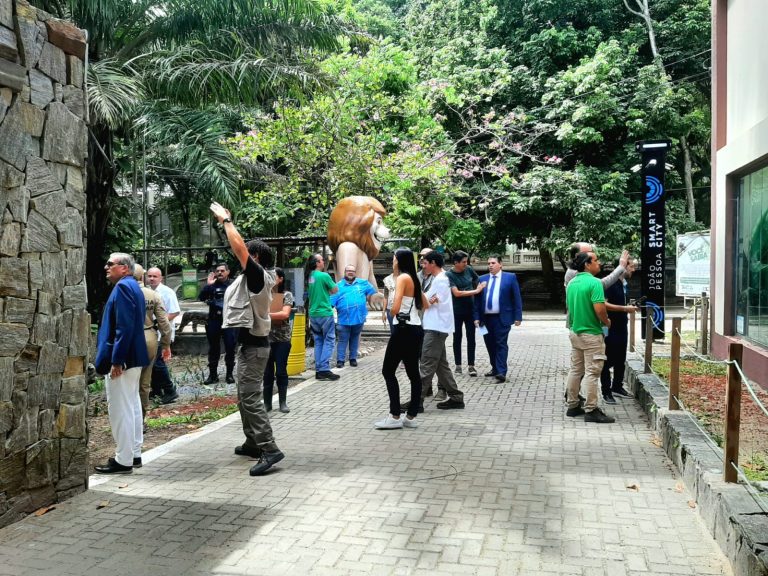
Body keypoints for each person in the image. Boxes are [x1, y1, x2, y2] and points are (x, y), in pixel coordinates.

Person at [210, 201, 285, 476]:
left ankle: (269, 448)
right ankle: (252, 441)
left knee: (251, 399)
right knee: (244, 397)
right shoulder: (251, 278)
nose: (239, 258)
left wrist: (226, 221)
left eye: (246, 255)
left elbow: (239, 248)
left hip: (254, 349)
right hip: (250, 347)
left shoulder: (257, 276)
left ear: (254, 257)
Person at [94, 253, 150, 474]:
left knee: (120, 408)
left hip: (124, 359)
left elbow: (123, 328)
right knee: (132, 405)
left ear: (125, 268)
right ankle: (133, 454)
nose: (106, 267)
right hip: (133, 356)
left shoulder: (124, 288)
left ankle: (123, 459)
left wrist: (117, 360)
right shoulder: (132, 286)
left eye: (111, 264)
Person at [402, 250, 466, 411]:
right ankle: (456, 397)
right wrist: (426, 298)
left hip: (436, 327)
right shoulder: (441, 278)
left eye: (425, 263)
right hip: (436, 326)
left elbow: (425, 303)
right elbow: (427, 301)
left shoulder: (440, 280)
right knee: (440, 365)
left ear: (433, 264)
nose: (424, 266)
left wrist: (418, 291)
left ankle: (417, 401)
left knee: (427, 363)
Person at [375, 248, 425, 430]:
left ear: (400, 260)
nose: (393, 260)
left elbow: (394, 308)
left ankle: (395, 415)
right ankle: (411, 416)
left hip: (403, 330)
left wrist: (395, 306)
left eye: (394, 257)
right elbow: (425, 303)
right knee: (413, 373)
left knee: (388, 371)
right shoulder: (414, 278)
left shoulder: (403, 278)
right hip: (415, 328)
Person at [564, 251, 614, 423]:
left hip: (575, 332)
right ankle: (591, 409)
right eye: (596, 260)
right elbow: (600, 309)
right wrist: (606, 321)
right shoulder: (595, 283)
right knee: (593, 372)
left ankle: (572, 405)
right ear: (587, 264)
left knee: (576, 370)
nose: (598, 263)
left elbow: (569, 309)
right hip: (592, 334)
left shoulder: (571, 283)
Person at [474, 255, 523, 383]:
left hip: (502, 318)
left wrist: (518, 316)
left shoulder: (510, 278)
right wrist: (476, 318)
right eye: (489, 263)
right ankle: (495, 367)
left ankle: (501, 371)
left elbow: (516, 298)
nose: (490, 265)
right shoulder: (482, 279)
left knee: (500, 343)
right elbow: (477, 301)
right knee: (489, 344)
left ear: (500, 264)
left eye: (493, 263)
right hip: (485, 319)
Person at [133, 264, 172, 420]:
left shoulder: (122, 292)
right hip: (149, 337)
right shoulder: (153, 295)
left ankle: (129, 420)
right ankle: (140, 420)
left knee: (128, 382)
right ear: (143, 276)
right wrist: (166, 344)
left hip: (130, 339)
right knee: (144, 383)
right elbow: (164, 324)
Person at [601, 258, 637, 403]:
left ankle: (617, 386)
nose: (633, 270)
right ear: (622, 267)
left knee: (621, 358)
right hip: (609, 326)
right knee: (607, 358)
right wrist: (624, 308)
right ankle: (606, 390)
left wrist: (627, 307)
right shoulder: (610, 283)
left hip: (622, 325)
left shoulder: (624, 284)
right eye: (632, 267)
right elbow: (603, 304)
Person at [445, 251, 486, 376]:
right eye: (463, 262)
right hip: (456, 311)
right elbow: (456, 293)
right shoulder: (448, 275)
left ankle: (471, 365)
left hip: (470, 310)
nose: (466, 264)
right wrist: (476, 291)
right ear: (456, 263)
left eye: (466, 261)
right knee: (457, 338)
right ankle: (458, 365)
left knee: (471, 338)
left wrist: (477, 290)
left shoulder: (468, 269)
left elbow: (477, 279)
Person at [331, 264, 379, 367]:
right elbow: (331, 303)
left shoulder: (363, 283)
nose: (350, 272)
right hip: (344, 320)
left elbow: (373, 291)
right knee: (343, 340)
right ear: (345, 272)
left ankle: (353, 359)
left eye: (352, 271)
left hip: (359, 318)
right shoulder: (338, 286)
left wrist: (370, 298)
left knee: (354, 339)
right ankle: (340, 360)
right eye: (348, 270)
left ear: (355, 273)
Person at [198, 263, 237, 384]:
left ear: (228, 272)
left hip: (229, 320)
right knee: (213, 348)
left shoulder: (233, 285)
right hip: (214, 319)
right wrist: (208, 285)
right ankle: (212, 375)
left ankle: (229, 374)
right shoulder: (211, 286)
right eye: (217, 271)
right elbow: (201, 297)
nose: (220, 273)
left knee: (230, 348)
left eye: (222, 271)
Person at [146, 266, 180, 403]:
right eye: (150, 276)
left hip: (162, 333)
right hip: (152, 333)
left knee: (158, 363)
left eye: (155, 276)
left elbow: (174, 312)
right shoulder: (147, 292)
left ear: (161, 278)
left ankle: (170, 390)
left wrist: (159, 322)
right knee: (152, 363)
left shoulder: (167, 292)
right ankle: (157, 390)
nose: (152, 279)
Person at [305, 253, 340, 380]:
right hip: (325, 313)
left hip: (313, 314)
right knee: (329, 340)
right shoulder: (324, 275)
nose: (324, 262)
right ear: (317, 263)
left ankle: (319, 370)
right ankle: (324, 369)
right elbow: (335, 290)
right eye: (322, 260)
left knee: (319, 341)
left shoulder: (310, 276)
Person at [264, 267, 294, 413]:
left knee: (281, 371)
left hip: (282, 339)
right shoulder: (263, 294)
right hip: (265, 339)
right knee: (267, 373)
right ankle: (267, 404)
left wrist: (263, 315)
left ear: (281, 279)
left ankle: (283, 403)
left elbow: (284, 314)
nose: (270, 279)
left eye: (273, 276)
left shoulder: (286, 295)